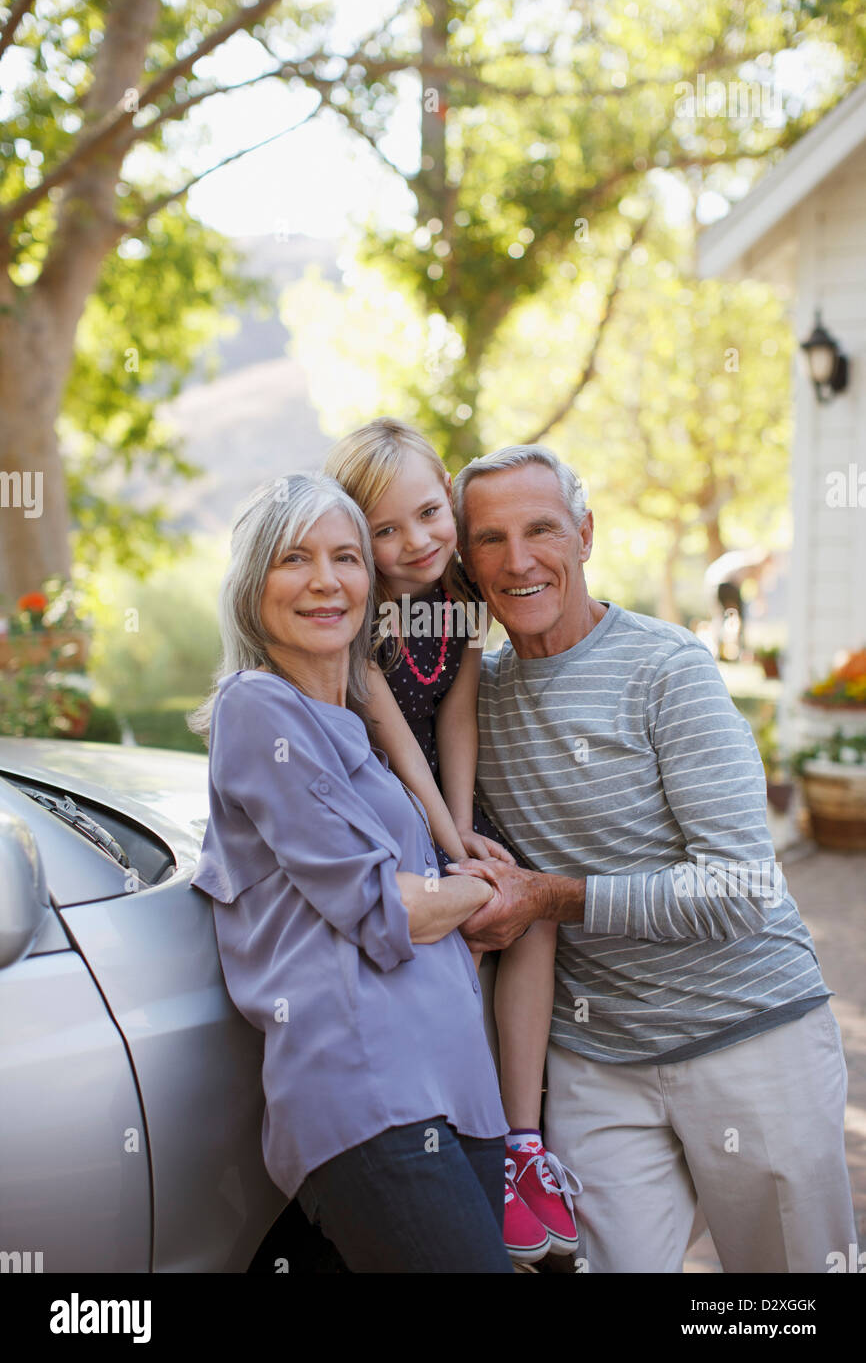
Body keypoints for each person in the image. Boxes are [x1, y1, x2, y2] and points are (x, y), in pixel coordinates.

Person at [447, 444, 859, 1274]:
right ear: (465, 563)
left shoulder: (668, 670)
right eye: (489, 540)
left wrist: (551, 896)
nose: (517, 560)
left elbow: (739, 888)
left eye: (541, 530)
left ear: (586, 535)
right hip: (600, 1062)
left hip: (750, 1034)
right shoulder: (473, 700)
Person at [188, 472, 513, 1273]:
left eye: (346, 558)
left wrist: (455, 871)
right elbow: (380, 904)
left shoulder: (353, 730)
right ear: (250, 587)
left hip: (460, 1090)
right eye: (295, 559)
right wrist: (482, 889)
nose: (326, 581)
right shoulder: (257, 709)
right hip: (370, 1095)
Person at [324, 419, 582, 1264]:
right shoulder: (358, 611)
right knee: (458, 943)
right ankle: (462, 1137)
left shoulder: (461, 596)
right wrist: (441, 840)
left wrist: (469, 831)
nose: (416, 542)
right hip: (393, 805)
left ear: (447, 491)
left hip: (446, 797)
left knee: (526, 905)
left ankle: (522, 1141)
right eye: (385, 530)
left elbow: (457, 712)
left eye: (430, 514)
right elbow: (396, 737)